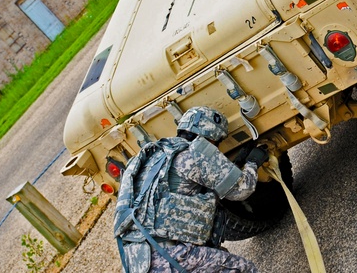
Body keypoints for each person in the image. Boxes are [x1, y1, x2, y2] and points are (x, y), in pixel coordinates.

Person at [113, 106, 267, 273]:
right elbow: (241, 189)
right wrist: (253, 162)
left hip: (136, 262)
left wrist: (235, 165)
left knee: (219, 259)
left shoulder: (153, 158)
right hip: (169, 258)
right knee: (242, 269)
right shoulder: (194, 152)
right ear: (211, 137)